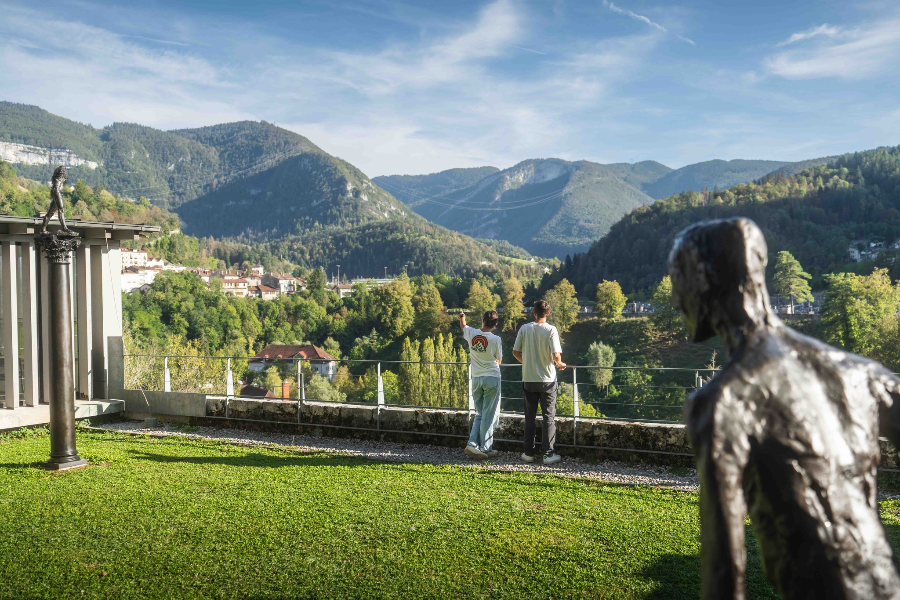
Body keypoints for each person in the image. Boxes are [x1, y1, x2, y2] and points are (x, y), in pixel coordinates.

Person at [669, 217, 900, 599]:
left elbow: (724, 571)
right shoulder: (860, 372)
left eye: (678, 279)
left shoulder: (724, 401)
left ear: (704, 281)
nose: (676, 300)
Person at [512, 299, 566, 464]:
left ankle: (528, 453)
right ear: (548, 313)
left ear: (534, 312)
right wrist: (559, 363)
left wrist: (527, 362)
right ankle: (548, 454)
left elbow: (515, 351)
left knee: (530, 417)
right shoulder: (551, 330)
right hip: (547, 380)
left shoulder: (524, 328)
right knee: (548, 417)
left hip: (529, 379)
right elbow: (556, 355)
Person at [459, 310, 503, 460]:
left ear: (482, 319)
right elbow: (499, 360)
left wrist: (462, 317)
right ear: (495, 324)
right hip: (492, 378)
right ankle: (485, 448)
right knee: (489, 415)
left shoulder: (471, 333)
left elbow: (463, 326)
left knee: (480, 413)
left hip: (476, 378)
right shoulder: (496, 339)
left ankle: (472, 443)